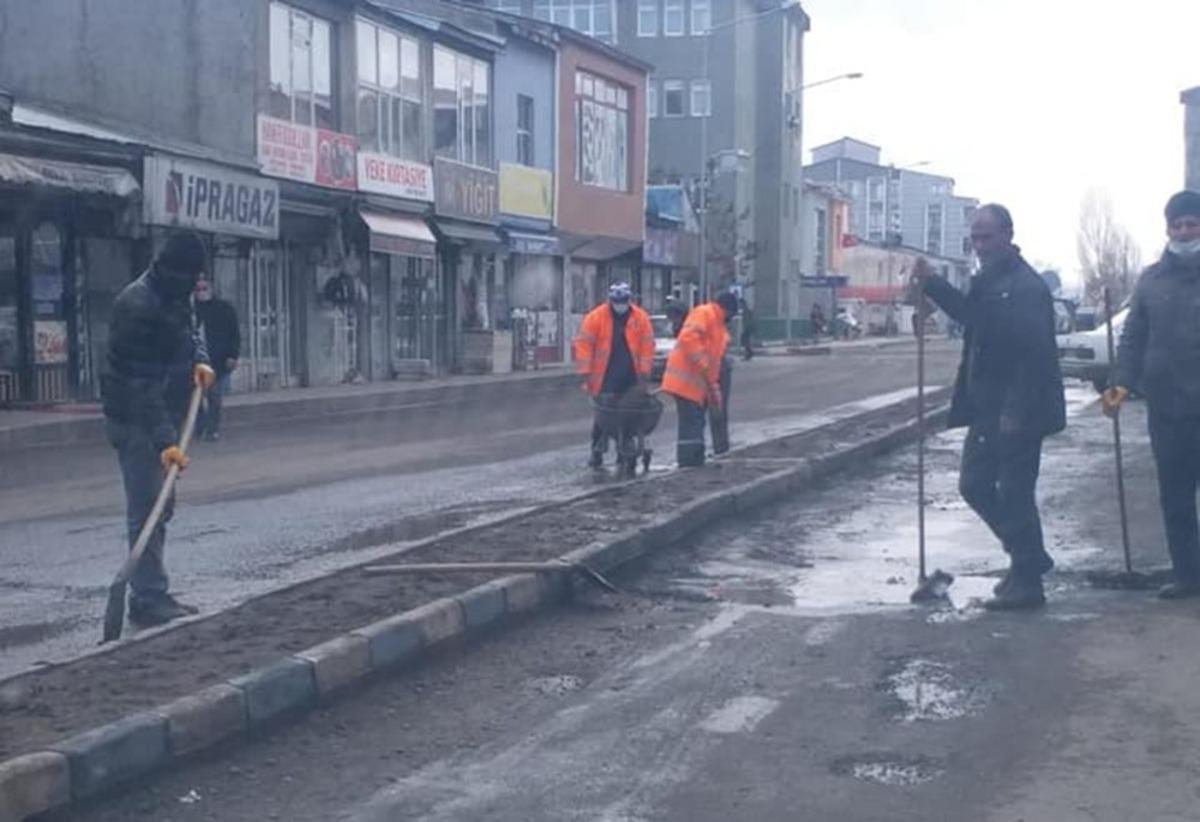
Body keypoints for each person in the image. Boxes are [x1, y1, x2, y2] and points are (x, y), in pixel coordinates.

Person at [913, 204, 1065, 611]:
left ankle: (1028, 581)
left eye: (986, 237)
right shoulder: (989, 281)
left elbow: (1033, 356)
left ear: (1008, 235)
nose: (979, 246)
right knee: (975, 485)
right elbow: (973, 318)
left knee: (1015, 492)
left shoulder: (1025, 286)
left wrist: (1016, 412)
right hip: (988, 406)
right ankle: (1027, 557)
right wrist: (933, 285)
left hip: (1019, 409)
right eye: (974, 238)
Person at [101, 231, 215, 627]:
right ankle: (147, 599)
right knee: (148, 506)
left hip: (157, 412)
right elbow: (140, 385)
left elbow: (191, 330)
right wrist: (166, 439)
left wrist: (200, 360)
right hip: (134, 420)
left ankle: (153, 591)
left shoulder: (172, 293)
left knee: (160, 506)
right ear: (174, 269)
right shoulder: (137, 306)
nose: (195, 284)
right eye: (192, 275)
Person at [1104, 190, 1200, 599]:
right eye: (1177, 225)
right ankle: (1188, 576)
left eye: (1192, 223)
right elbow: (1133, 337)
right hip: (1169, 406)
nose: (1184, 231)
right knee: (1175, 496)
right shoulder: (1151, 280)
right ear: (1168, 229)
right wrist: (1121, 381)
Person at [573, 282, 656, 469]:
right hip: (605, 378)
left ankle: (623, 451)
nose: (620, 304)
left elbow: (647, 347)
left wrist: (644, 375)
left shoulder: (640, 318)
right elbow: (584, 345)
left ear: (629, 300)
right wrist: (585, 373)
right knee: (603, 419)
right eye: (617, 301)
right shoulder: (595, 318)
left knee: (627, 417)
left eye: (624, 300)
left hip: (630, 378)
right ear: (610, 300)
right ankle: (596, 451)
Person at [662, 290, 739, 467]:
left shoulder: (718, 326)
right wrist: (702, 362)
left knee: (695, 423)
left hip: (694, 385)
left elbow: (713, 368)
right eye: (732, 314)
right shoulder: (705, 313)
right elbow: (688, 338)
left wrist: (714, 393)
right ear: (727, 310)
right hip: (685, 382)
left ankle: (695, 461)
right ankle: (689, 464)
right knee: (691, 424)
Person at [193, 277, 240, 441]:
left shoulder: (224, 309)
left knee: (214, 397)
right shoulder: (189, 310)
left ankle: (212, 429)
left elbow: (234, 334)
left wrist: (232, 356)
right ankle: (199, 427)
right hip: (194, 362)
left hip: (217, 361)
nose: (201, 293)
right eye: (198, 289)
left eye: (204, 288)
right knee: (194, 398)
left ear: (212, 289)